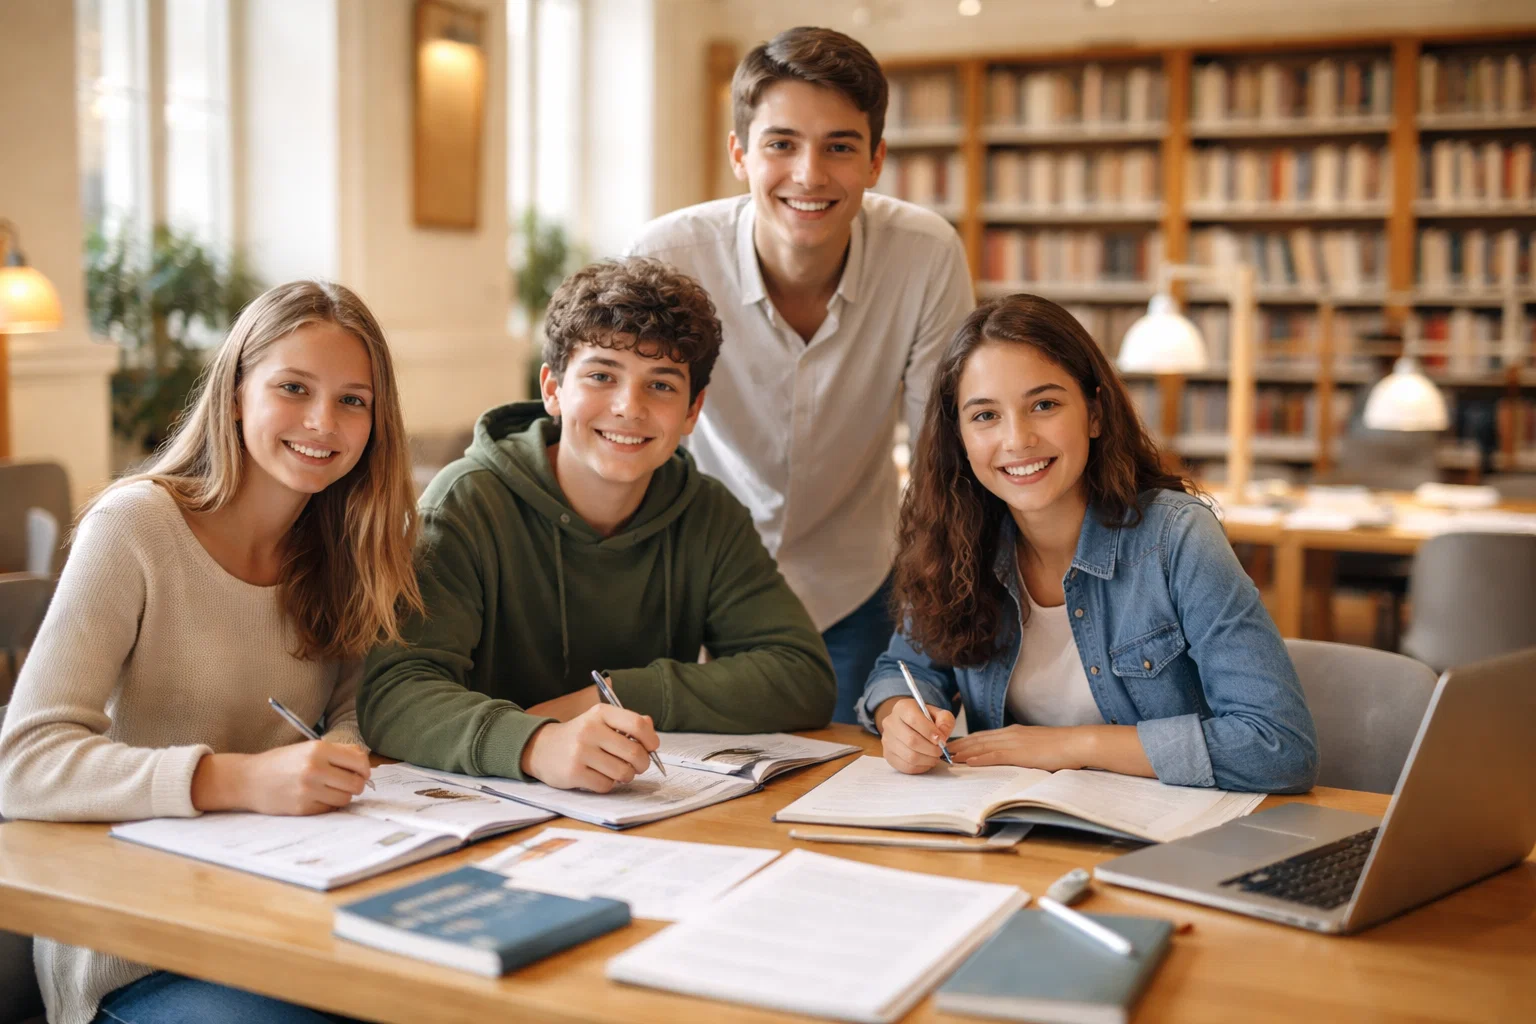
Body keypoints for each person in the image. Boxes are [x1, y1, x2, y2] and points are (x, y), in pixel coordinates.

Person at [0, 280, 422, 1024]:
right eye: (294, 388)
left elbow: (356, 710)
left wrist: (339, 756)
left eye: (353, 400)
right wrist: (237, 779)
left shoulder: (348, 546)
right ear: (234, 394)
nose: (323, 422)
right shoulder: (134, 528)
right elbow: (24, 765)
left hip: (294, 920)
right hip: (139, 953)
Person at [358, 257, 834, 793]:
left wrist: (613, 694)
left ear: (692, 411)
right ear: (553, 388)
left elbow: (803, 676)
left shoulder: (707, 513)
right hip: (490, 804)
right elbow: (395, 693)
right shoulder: (466, 504)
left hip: (641, 805)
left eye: (661, 385)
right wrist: (534, 743)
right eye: (602, 376)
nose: (629, 407)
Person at [627, 26, 975, 723]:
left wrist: (938, 611)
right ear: (739, 154)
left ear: (875, 160)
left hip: (854, 584)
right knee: (682, 774)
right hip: (690, 580)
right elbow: (629, 429)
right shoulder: (668, 255)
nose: (809, 175)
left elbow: (943, 452)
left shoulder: (925, 255)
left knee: (849, 775)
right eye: (781, 144)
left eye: (839, 146)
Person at [860, 294, 1318, 793]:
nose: (1017, 440)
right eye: (985, 415)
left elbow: (1279, 747)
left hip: (1167, 826)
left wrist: (1075, 746)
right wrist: (900, 716)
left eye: (1044, 405)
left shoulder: (1177, 538)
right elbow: (902, 670)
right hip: (1023, 822)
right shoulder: (956, 537)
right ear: (960, 437)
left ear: (1094, 414)